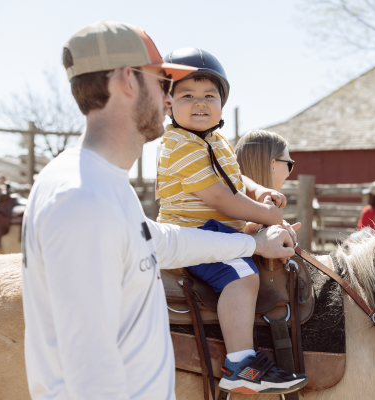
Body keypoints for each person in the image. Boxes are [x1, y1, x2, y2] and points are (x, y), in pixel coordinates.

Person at [22, 21, 295, 400]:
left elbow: (161, 241)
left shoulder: (104, 185)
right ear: (126, 81)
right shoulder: (81, 198)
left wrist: (254, 245)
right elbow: (89, 365)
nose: (169, 99)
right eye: (162, 83)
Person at [156, 49, 307, 394]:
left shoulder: (215, 139)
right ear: (168, 103)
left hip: (217, 230)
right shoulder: (178, 144)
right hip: (191, 233)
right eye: (187, 96)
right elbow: (221, 198)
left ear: (221, 104)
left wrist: (261, 191)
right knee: (242, 275)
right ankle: (240, 362)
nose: (200, 103)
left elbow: (237, 181)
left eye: (210, 95)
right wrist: (266, 214)